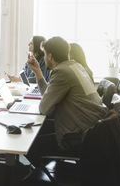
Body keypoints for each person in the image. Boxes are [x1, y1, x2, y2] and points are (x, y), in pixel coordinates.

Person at [25, 36, 107, 167]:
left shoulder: (61, 72)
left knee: (29, 143)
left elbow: (44, 108)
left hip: (79, 136)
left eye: (45, 54)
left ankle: (44, 176)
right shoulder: (75, 66)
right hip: (93, 130)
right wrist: (38, 73)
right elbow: (50, 96)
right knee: (40, 130)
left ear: (50, 56)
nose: (44, 57)